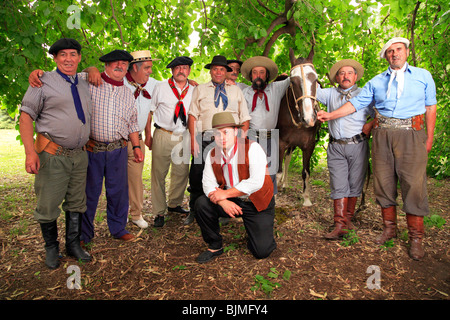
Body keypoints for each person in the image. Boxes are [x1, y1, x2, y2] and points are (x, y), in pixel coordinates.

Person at [317, 37, 437, 260]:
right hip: (382, 135)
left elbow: (430, 108)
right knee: (383, 183)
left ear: (407, 52)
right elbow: (355, 104)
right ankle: (389, 230)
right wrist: (331, 115)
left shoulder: (423, 76)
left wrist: (428, 138)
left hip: (412, 134)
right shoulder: (376, 82)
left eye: (398, 49)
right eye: (390, 51)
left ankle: (416, 238)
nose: (394, 54)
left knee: (414, 184)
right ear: (386, 56)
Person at [19, 38, 92, 269]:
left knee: (77, 202)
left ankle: (73, 244)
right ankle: (51, 249)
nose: (68, 59)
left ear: (79, 58)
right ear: (55, 58)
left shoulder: (82, 81)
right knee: (48, 204)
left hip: (79, 155)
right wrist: (30, 153)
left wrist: (91, 69)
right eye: (63, 55)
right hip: (52, 154)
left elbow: (96, 71)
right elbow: (25, 116)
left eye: (73, 54)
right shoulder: (42, 81)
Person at [195, 112, 276, 263]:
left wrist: (224, 194)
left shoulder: (253, 148)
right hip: (232, 201)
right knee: (201, 203)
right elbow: (207, 183)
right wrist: (222, 201)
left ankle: (257, 229)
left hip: (256, 202)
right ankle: (215, 245)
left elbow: (256, 182)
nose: (222, 137)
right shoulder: (212, 153)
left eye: (226, 132)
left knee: (261, 251)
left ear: (236, 131)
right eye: (217, 134)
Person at [82, 49, 144, 245]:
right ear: (106, 66)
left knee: (118, 191)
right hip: (93, 149)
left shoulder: (127, 93)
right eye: (115, 63)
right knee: (89, 193)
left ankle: (118, 228)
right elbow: (70, 77)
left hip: (118, 150)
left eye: (124, 64)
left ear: (127, 68)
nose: (120, 66)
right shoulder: (90, 83)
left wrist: (136, 147)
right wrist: (90, 69)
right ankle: (84, 234)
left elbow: (132, 123)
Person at [186, 55, 251, 224]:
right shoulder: (200, 89)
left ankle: (225, 210)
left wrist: (241, 139)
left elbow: (245, 117)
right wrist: (193, 139)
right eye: (215, 69)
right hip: (206, 137)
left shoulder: (235, 90)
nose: (218, 72)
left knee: (228, 172)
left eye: (222, 69)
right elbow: (192, 115)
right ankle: (195, 209)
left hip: (231, 138)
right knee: (197, 172)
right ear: (211, 71)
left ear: (226, 72)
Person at [316, 59, 374, 240]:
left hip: (357, 145)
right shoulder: (329, 94)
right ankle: (339, 224)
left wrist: (371, 124)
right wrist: (294, 76)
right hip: (336, 146)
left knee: (355, 183)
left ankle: (348, 221)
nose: (345, 76)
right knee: (339, 184)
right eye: (342, 73)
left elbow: (380, 113)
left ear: (355, 76)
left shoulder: (365, 94)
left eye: (349, 73)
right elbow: (308, 89)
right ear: (337, 77)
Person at [147, 56, 195, 227]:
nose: (181, 71)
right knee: (158, 173)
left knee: (181, 173)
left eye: (185, 67)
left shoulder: (194, 89)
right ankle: (159, 212)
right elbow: (149, 112)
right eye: (177, 68)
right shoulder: (160, 87)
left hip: (184, 135)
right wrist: (148, 136)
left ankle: (174, 204)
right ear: (172, 71)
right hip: (163, 133)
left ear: (189, 70)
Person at [241, 56, 291, 193]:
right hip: (251, 135)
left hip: (271, 136)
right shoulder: (244, 92)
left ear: (267, 75)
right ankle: (251, 199)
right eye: (255, 72)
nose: (258, 76)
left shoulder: (276, 88)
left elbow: (295, 76)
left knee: (271, 170)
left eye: (262, 72)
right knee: (251, 169)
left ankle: (270, 201)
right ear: (251, 76)